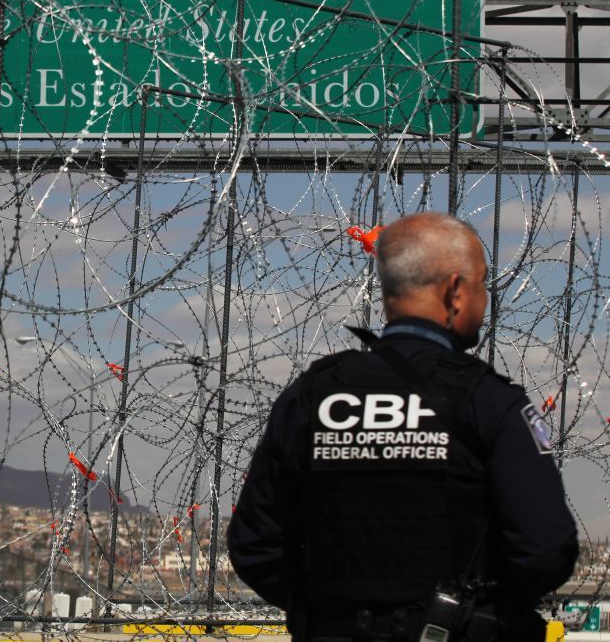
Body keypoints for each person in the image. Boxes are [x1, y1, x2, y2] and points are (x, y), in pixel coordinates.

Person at [227, 213, 578, 642]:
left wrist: (330, 610)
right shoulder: (489, 401)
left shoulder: (313, 396)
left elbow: (255, 544)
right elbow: (545, 548)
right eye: (481, 284)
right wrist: (475, 613)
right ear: (454, 291)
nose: (485, 302)